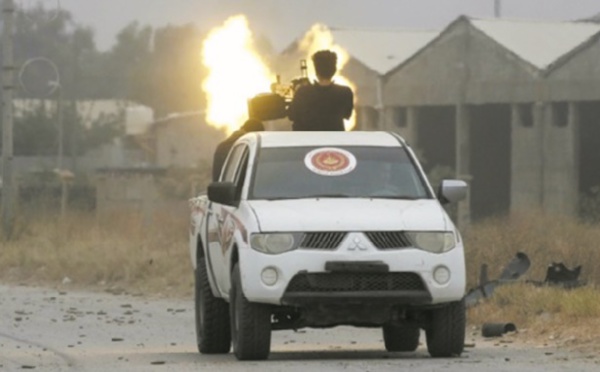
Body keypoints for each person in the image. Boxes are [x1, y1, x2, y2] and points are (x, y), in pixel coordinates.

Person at [287, 50, 354, 131]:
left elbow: (292, 115)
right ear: (334, 70)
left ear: (316, 70)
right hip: (335, 141)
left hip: (307, 141)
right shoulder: (345, 92)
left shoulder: (303, 92)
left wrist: (297, 92)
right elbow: (347, 115)